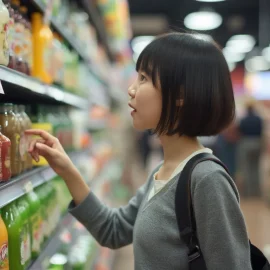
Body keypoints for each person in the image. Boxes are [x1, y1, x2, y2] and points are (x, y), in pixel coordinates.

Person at [26, 33, 252, 270]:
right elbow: (113, 231)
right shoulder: (164, 170)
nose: (131, 90)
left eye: (144, 78)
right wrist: (66, 169)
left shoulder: (207, 179)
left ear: (181, 95)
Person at [238, 102, 263, 197]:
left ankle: (248, 192)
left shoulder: (243, 120)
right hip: (257, 143)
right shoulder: (258, 119)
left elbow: (240, 131)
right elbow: (261, 131)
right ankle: (256, 191)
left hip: (246, 143)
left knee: (246, 168)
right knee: (256, 168)